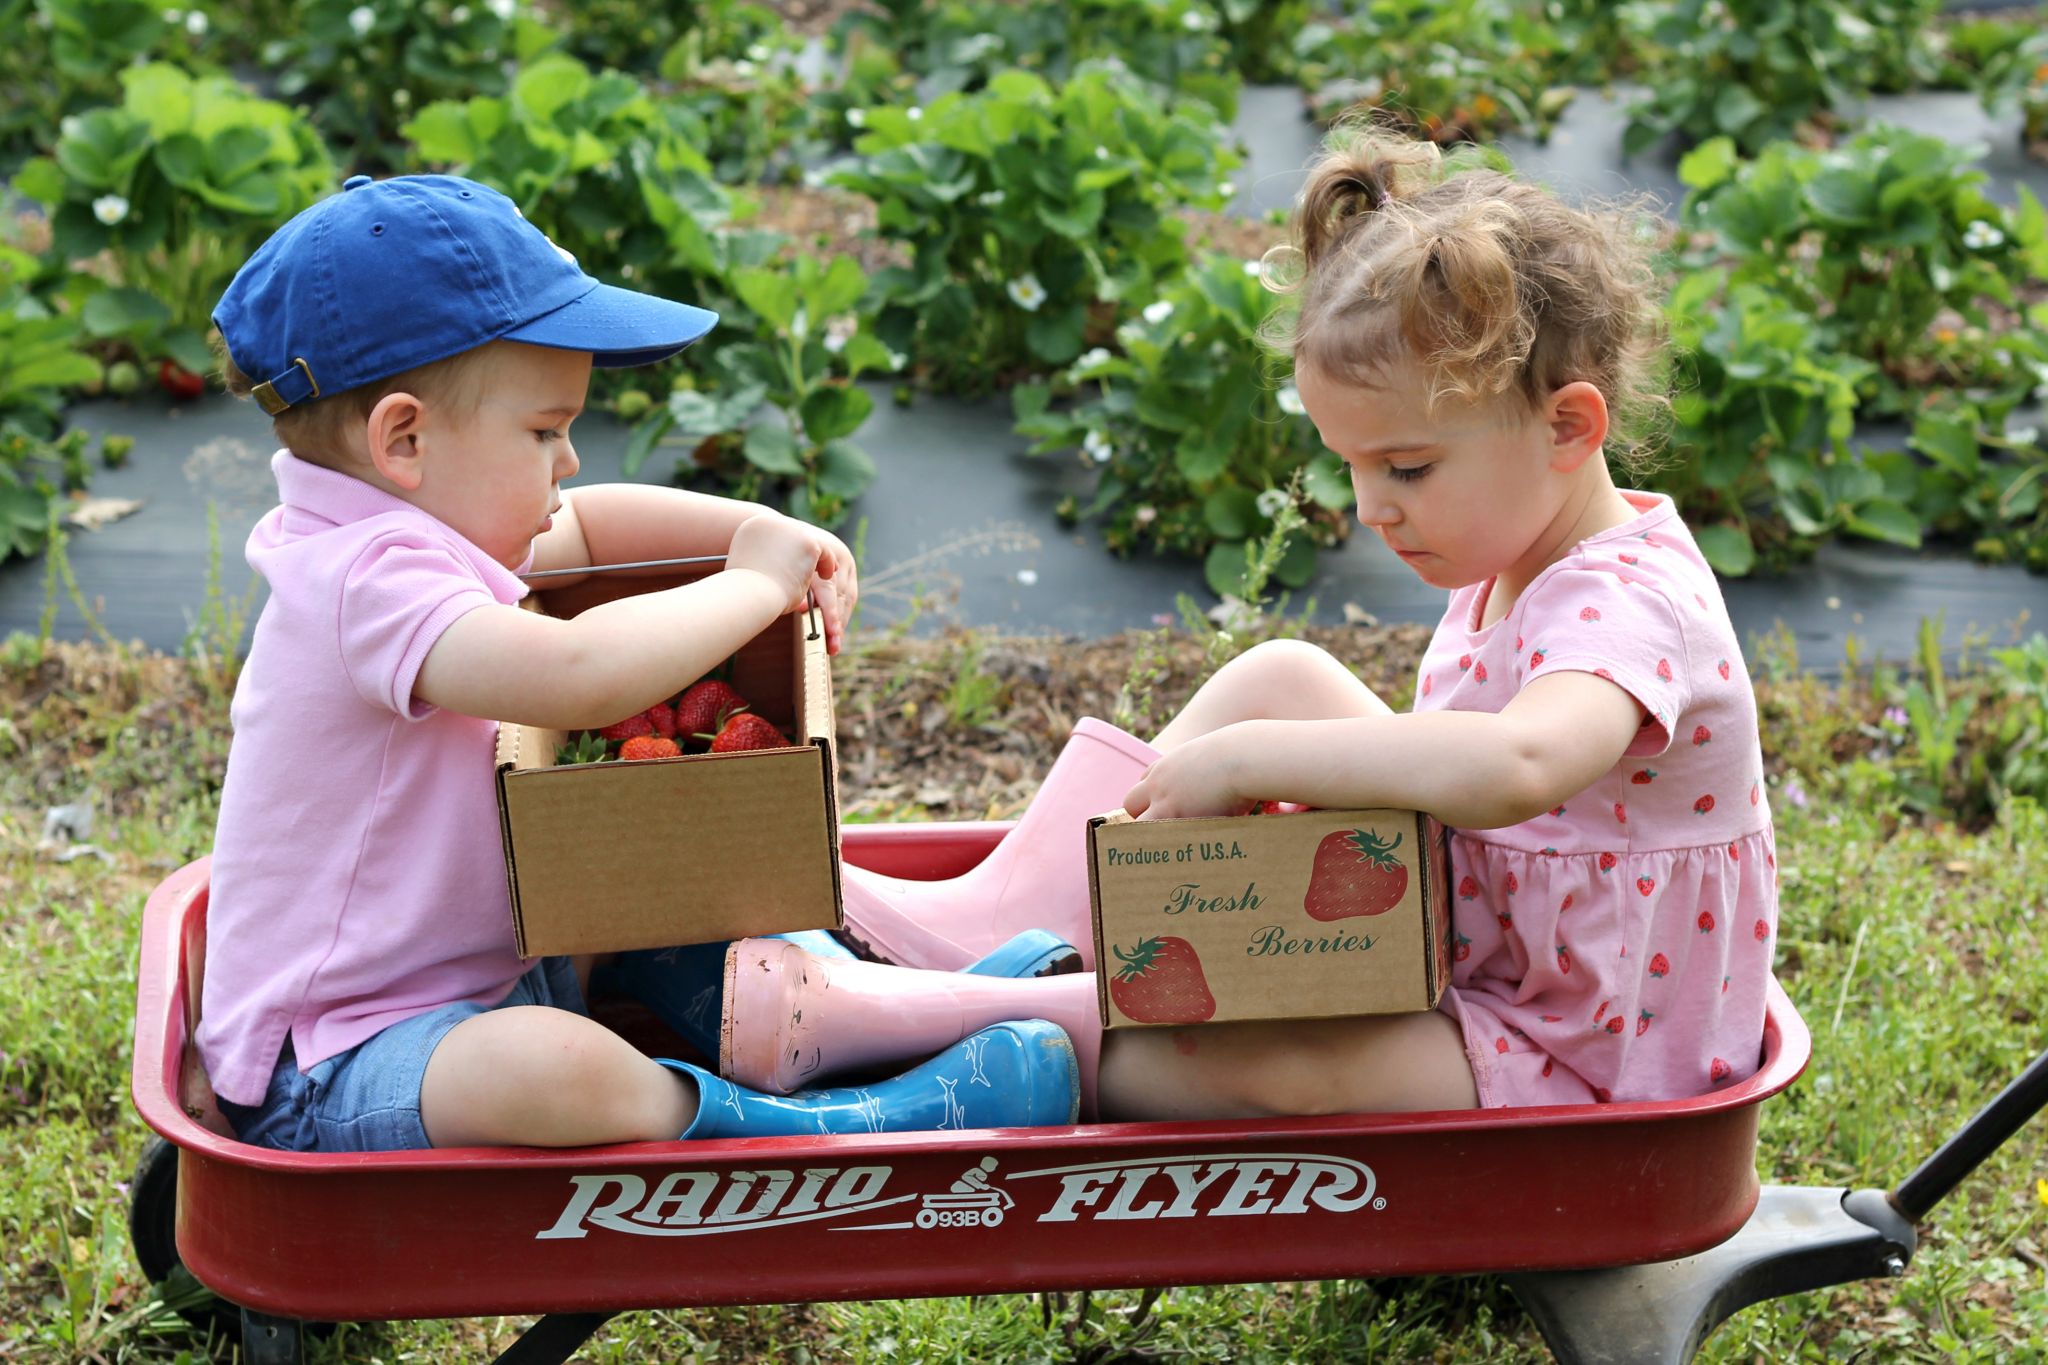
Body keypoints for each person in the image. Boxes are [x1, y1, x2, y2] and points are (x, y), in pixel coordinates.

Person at [713, 125, 1778, 1122]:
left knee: (1253, 1054)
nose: (1371, 507)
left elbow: (1523, 763)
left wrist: (1251, 762)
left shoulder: (1630, 601)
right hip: (1490, 955)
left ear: (1567, 425)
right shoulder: (1518, 554)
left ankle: (902, 1031)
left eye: (1405, 466)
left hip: (1576, 1053)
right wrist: (1263, 740)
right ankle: (992, 926)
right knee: (1279, 670)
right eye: (1351, 465)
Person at [196, 173, 1081, 1154]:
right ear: (404, 437)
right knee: (553, 1071)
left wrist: (755, 528)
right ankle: (824, 1123)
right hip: (336, 1057)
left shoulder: (423, 516)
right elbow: (579, 672)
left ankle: (901, 1008)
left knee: (674, 868)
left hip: (481, 970)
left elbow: (589, 525)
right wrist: (748, 586)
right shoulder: (360, 578)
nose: (567, 461)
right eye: (545, 432)